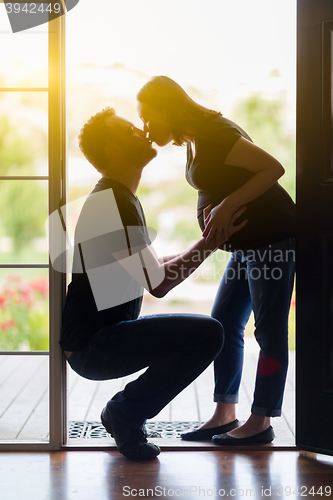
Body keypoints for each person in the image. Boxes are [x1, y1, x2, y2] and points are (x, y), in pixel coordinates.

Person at [59, 107, 247, 460]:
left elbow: (151, 267)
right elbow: (159, 284)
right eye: (130, 129)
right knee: (209, 333)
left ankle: (125, 411)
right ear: (114, 149)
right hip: (93, 346)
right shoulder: (112, 202)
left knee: (204, 331)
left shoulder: (119, 198)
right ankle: (125, 412)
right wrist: (210, 240)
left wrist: (205, 240)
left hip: (100, 340)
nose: (143, 131)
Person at [137, 76, 296, 445]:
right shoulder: (196, 138)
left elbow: (272, 169)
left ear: (167, 108)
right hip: (245, 245)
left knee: (269, 331)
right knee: (223, 323)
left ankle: (262, 421)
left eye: (148, 118)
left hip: (271, 240)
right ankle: (225, 413)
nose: (146, 129)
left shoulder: (215, 132)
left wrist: (227, 205)